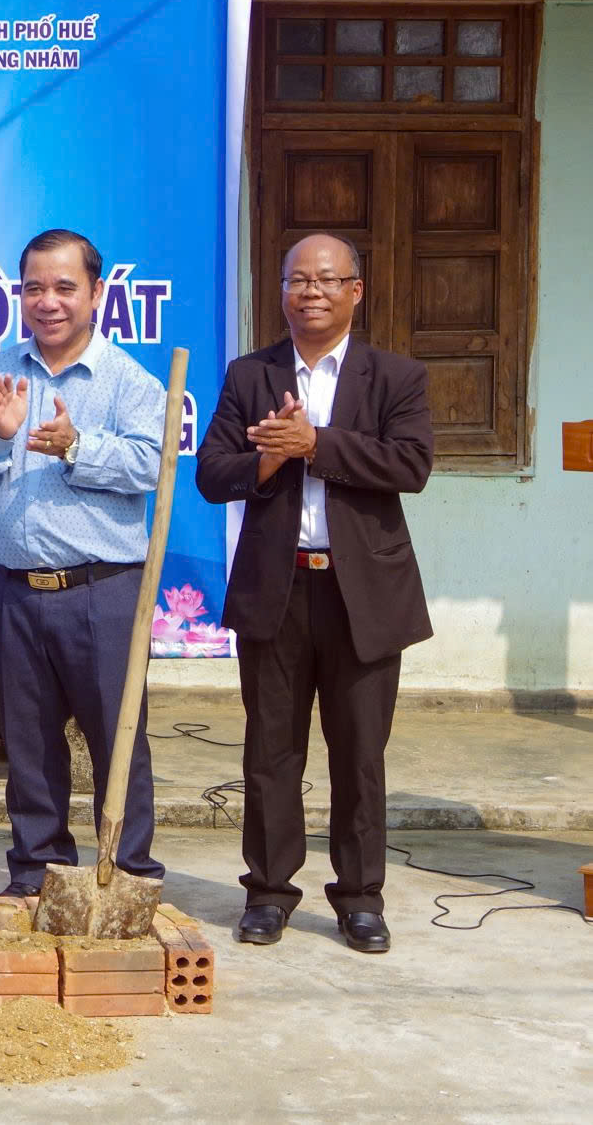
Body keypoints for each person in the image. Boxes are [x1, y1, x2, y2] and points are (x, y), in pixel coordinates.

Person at [196, 233, 432, 954]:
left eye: (328, 280)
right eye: (298, 280)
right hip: (277, 587)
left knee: (359, 752)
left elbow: (411, 463)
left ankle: (360, 898)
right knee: (271, 751)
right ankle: (268, 892)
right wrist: (269, 458)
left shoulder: (395, 375)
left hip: (363, 593)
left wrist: (316, 444)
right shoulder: (250, 374)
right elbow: (212, 472)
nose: (312, 292)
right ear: (281, 291)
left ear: (356, 290)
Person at [0, 228, 166, 899]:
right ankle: (36, 870)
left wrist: (77, 445)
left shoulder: (128, 380)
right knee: (29, 745)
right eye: (34, 287)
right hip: (15, 588)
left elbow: (151, 466)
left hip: (103, 589)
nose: (48, 301)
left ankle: (123, 875)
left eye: (65, 287)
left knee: (116, 738)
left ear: (98, 293)